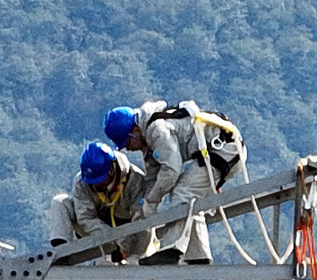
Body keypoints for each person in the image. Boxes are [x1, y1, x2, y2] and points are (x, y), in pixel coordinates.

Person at [106, 101, 245, 265]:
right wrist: (144, 209)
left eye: (128, 143)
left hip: (224, 150)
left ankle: (172, 250)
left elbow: (172, 170)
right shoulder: (149, 142)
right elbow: (152, 179)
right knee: (191, 202)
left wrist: (153, 200)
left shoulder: (157, 130)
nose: (129, 149)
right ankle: (198, 256)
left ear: (135, 131)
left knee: (182, 192)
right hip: (220, 152)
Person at [48, 141, 149, 257]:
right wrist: (111, 237)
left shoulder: (135, 179)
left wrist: (127, 243)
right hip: (98, 232)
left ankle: (138, 258)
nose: (96, 185)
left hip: (129, 235)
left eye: (100, 180)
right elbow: (85, 217)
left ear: (111, 170)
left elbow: (142, 219)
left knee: (144, 225)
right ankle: (61, 252)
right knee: (60, 202)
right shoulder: (82, 182)